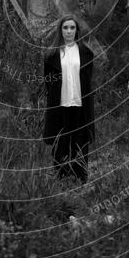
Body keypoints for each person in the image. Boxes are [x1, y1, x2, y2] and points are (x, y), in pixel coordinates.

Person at [43, 14, 95, 183]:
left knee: (80, 140)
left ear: (77, 31)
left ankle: (80, 178)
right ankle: (62, 177)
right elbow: (47, 82)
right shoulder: (51, 55)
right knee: (61, 141)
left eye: (72, 27)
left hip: (80, 103)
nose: (69, 31)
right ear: (60, 31)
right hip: (60, 104)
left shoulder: (86, 53)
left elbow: (88, 80)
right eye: (65, 27)